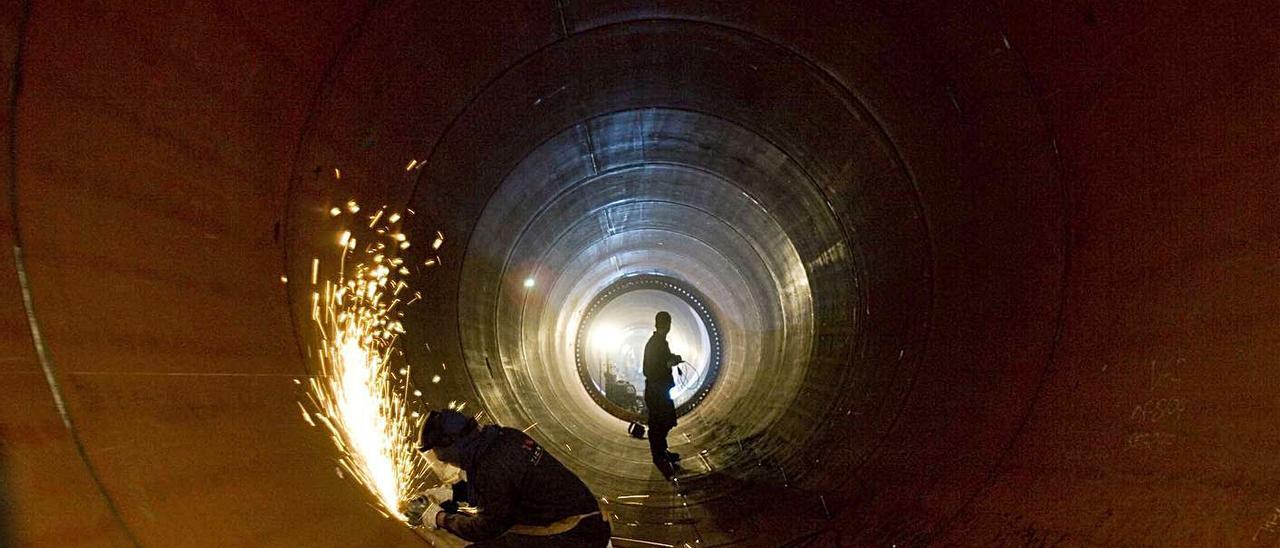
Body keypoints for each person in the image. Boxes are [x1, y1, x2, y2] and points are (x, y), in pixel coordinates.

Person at [404, 409, 612, 546]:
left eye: (438, 451)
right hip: (590, 519)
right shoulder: (504, 437)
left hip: (577, 535)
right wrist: (454, 494)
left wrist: (439, 518)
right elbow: (507, 491)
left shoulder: (491, 467)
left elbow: (486, 528)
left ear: (452, 444)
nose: (440, 459)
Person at [643, 311, 683, 477]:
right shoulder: (654, 343)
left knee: (665, 421)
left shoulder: (660, 343)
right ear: (666, 325)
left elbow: (663, 360)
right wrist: (668, 364)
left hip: (661, 389)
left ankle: (662, 451)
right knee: (657, 423)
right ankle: (658, 457)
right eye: (668, 323)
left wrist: (673, 359)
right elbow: (649, 369)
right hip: (655, 390)